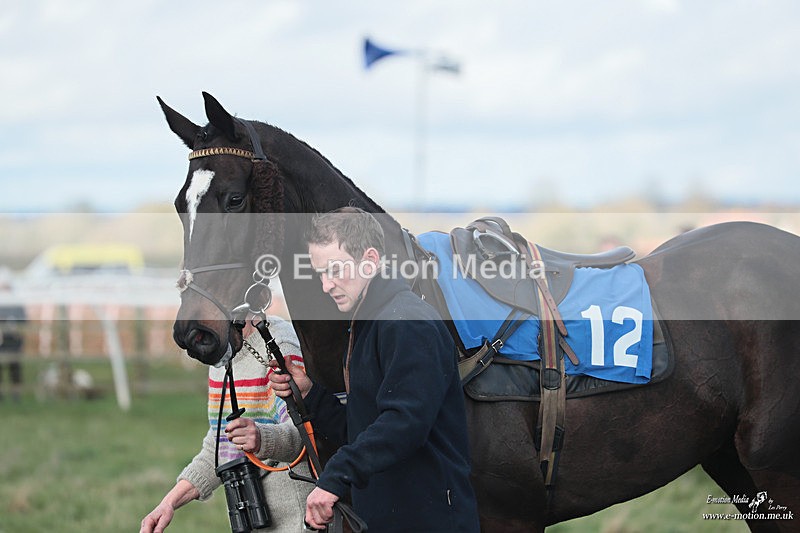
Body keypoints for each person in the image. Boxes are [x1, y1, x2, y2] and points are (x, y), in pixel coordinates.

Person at [270, 207, 480, 532]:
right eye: (320, 273)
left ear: (369, 259)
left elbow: (404, 424)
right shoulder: (367, 323)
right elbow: (364, 426)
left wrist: (336, 475)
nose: (326, 285)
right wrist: (311, 393)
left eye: (335, 270)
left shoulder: (407, 323)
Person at [140, 316, 313, 533]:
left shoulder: (280, 345)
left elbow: (305, 435)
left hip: (298, 521)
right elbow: (220, 446)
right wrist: (168, 503)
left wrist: (260, 438)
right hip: (255, 520)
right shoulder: (221, 354)